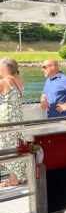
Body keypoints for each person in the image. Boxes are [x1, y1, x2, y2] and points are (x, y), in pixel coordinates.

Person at [0, 57, 27, 187]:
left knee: (6, 147)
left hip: (6, 119)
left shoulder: (4, 82)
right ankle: (20, 177)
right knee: (18, 146)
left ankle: (13, 179)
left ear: (5, 68)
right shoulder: (19, 81)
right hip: (17, 118)